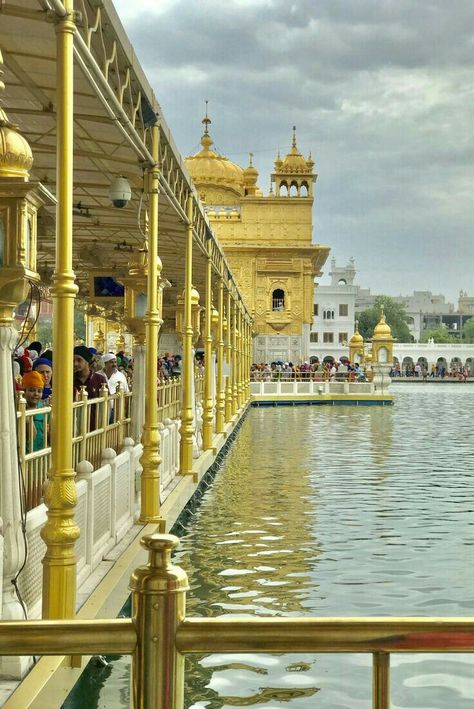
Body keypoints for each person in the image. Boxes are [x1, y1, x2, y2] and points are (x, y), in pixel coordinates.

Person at [73, 345, 108, 430]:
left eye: (79, 360)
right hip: (74, 429)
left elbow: (106, 405)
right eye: (73, 360)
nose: (75, 363)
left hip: (95, 428)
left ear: (87, 362)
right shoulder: (70, 380)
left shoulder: (99, 379)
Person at [21, 370, 48, 452]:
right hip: (25, 454)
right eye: (32, 390)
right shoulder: (21, 409)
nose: (36, 394)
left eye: (39, 391)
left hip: (41, 453)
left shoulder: (44, 409)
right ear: (24, 391)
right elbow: (31, 436)